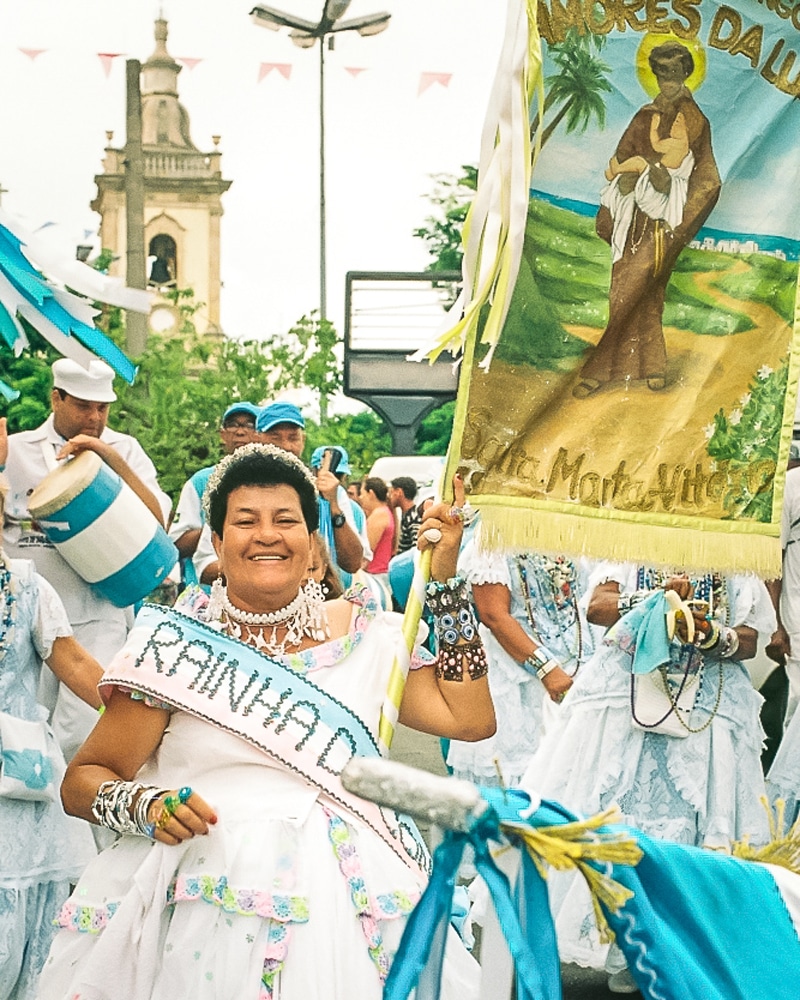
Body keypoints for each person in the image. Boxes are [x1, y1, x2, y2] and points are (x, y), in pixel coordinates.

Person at [38, 443, 494, 1000]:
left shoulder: (368, 636)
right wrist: (148, 807)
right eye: (245, 521)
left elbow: (470, 719)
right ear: (219, 540)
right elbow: (84, 779)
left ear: (311, 542)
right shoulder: (173, 648)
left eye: (286, 520)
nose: (267, 535)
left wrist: (445, 583)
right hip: (200, 896)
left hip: (350, 895)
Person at [522, 562, 774, 991]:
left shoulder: (735, 550)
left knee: (697, 829)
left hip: (708, 707)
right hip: (626, 701)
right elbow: (599, 606)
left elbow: (750, 641)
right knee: (619, 815)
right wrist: (656, 601)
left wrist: (711, 634)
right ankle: (628, 946)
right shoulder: (638, 544)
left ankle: (678, 952)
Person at [1, 359, 171, 763]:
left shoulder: (125, 449)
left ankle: (80, 821)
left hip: (98, 614)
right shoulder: (18, 450)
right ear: (56, 397)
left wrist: (107, 457)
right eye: (82, 405)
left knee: (81, 733)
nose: (94, 417)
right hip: (29, 615)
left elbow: (158, 521)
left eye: (102, 408)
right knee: (26, 728)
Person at [0, 473, 103, 1000]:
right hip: (22, 782)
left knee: (29, 946)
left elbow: (76, 665)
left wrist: (145, 719)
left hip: (20, 797)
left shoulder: (25, 587)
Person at [573, 41, 721, 397]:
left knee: (646, 293)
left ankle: (624, 367)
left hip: (664, 223)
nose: (667, 80)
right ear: (654, 75)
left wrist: (670, 189)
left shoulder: (695, 119)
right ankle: (630, 367)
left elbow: (706, 176)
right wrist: (625, 181)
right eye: (661, 73)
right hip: (632, 217)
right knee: (620, 292)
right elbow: (622, 157)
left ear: (686, 73)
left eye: (674, 72)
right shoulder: (643, 117)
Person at [447, 534, 594, 788]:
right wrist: (547, 669)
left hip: (577, 673)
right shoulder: (493, 538)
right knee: (520, 781)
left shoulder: (571, 534)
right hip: (518, 685)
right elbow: (493, 615)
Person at [168, 402, 260, 588]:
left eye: (249, 425)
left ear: (261, 434)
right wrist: (225, 528)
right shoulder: (201, 481)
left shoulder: (273, 483)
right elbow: (175, 544)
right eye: (233, 424)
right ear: (222, 434)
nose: (240, 431)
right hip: (204, 598)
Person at [308, 445, 371, 588]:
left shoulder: (355, 510)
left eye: (338, 475)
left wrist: (334, 506)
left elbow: (360, 560)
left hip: (341, 589)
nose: (333, 480)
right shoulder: (303, 499)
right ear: (314, 471)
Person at [389, 477, 423, 555]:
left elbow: (416, 548)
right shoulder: (407, 515)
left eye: (391, 492)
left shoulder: (413, 517)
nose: (389, 497)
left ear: (399, 492)